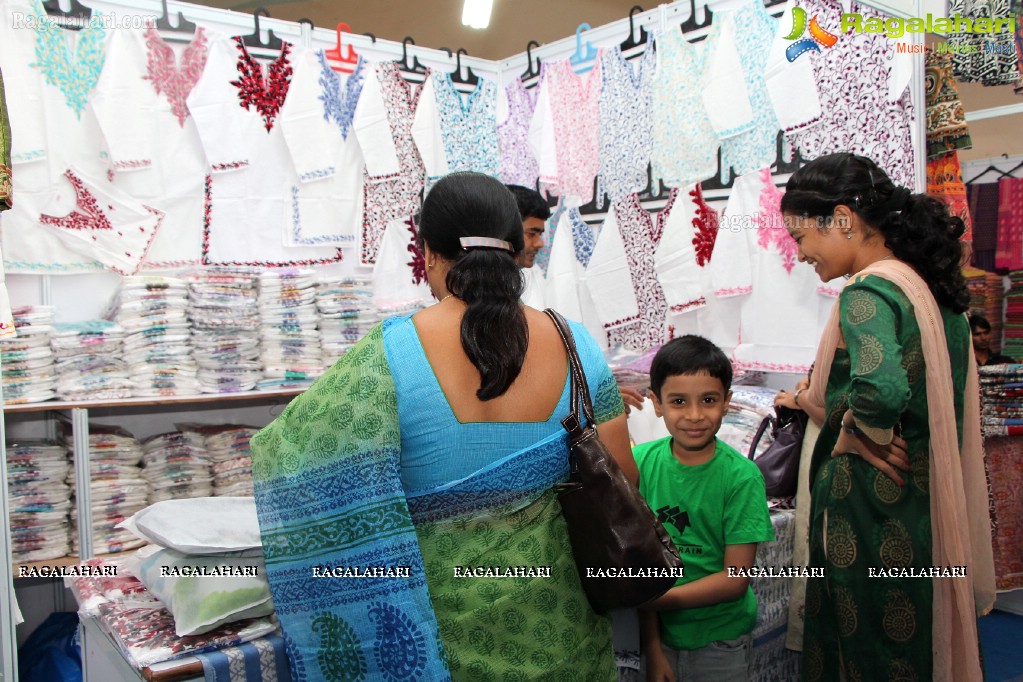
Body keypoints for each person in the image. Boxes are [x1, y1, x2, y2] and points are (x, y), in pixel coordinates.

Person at [250, 172, 635, 681]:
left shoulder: (385, 357)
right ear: (517, 248)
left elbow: (299, 462)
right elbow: (624, 478)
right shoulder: (576, 343)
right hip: (562, 631)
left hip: (444, 646)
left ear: (428, 252)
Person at [781, 152, 994, 681]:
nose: (801, 252)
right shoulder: (934, 294)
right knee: (912, 639)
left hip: (869, 506)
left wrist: (853, 430)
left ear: (844, 220)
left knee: (862, 646)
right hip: (921, 503)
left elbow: (880, 389)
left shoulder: (869, 291)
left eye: (803, 237)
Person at [635, 335, 775, 682]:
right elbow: (640, 561)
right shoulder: (641, 464)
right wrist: (652, 647)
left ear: (726, 402)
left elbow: (735, 580)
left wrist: (651, 600)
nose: (695, 416)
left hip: (720, 639)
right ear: (656, 402)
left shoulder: (741, 478)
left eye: (708, 400)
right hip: (658, 636)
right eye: (679, 401)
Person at [505, 183, 550, 269]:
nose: (540, 244)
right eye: (531, 234)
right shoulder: (478, 279)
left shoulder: (533, 275)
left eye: (540, 234)